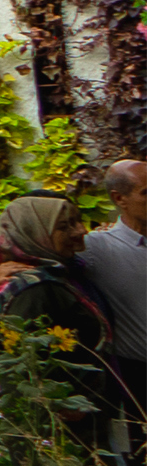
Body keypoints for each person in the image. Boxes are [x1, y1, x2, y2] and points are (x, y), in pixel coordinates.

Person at [0, 189, 142, 462]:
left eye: (79, 221)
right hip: (62, 433)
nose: (81, 231)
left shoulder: (66, 272)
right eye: (65, 226)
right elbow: (17, 364)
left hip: (92, 415)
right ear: (36, 231)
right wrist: (51, 409)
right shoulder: (31, 288)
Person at [73, 158, 147, 398]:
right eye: (146, 193)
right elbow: (42, 261)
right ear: (119, 199)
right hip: (139, 376)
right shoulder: (97, 248)